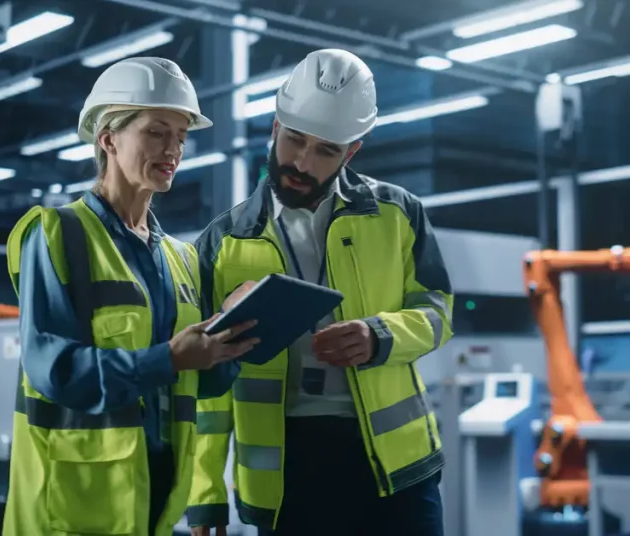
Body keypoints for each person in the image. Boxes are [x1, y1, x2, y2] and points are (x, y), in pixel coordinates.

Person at [187, 49, 454, 536]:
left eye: (326, 151)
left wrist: (381, 336)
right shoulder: (223, 243)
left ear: (351, 152)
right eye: (294, 140)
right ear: (275, 128)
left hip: (396, 467)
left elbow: (438, 310)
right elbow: (207, 384)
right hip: (288, 474)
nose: (302, 162)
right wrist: (204, 495)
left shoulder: (398, 214)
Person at [2, 56, 260, 536]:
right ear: (109, 139)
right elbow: (54, 370)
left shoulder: (182, 258)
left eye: (181, 136)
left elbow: (201, 384)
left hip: (154, 500)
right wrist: (170, 358)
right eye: (157, 132)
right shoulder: (58, 234)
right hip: (67, 507)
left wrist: (232, 335)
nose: (173, 149)